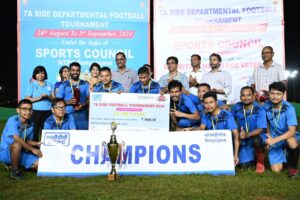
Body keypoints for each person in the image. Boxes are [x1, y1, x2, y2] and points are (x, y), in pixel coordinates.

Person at [260, 82, 299, 177]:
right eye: (272, 93)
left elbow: (292, 131)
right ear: (268, 94)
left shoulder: (289, 108)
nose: (275, 96)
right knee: (276, 170)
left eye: (278, 94)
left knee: (291, 141)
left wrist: (273, 141)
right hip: (274, 137)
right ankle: (285, 156)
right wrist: (268, 135)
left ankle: (293, 168)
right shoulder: (266, 106)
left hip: (287, 136)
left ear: (283, 94)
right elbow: (267, 123)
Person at [192, 92, 240, 166]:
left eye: (211, 102)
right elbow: (201, 128)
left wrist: (236, 155)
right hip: (212, 146)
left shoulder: (227, 115)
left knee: (245, 164)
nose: (209, 105)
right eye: (206, 103)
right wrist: (190, 130)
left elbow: (236, 135)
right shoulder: (206, 116)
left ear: (216, 102)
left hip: (226, 147)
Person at [0, 99, 42, 180]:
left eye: (30, 109)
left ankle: (13, 165)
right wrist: (33, 150)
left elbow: (27, 140)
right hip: (6, 152)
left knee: (38, 164)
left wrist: (36, 144)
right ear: (18, 110)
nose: (28, 112)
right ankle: (14, 171)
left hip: (20, 151)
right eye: (25, 109)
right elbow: (17, 138)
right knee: (17, 144)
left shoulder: (31, 123)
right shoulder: (13, 120)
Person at [231, 86, 267, 173]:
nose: (246, 98)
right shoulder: (236, 107)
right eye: (243, 95)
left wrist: (247, 134)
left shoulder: (260, 109)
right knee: (244, 166)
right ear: (240, 97)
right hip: (244, 139)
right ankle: (251, 156)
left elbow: (260, 129)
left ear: (254, 96)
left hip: (258, 136)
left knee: (257, 140)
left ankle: (260, 162)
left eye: (249, 95)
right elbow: (229, 118)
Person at [56, 62, 89, 130]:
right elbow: (57, 102)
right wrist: (68, 102)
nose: (75, 72)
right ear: (70, 71)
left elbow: (89, 99)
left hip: (82, 115)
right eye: (73, 70)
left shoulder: (85, 84)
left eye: (77, 70)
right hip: (67, 114)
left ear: (80, 72)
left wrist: (83, 105)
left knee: (82, 136)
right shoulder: (63, 85)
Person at [25, 66, 54, 141]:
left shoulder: (50, 84)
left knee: (46, 132)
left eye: (42, 73)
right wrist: (39, 98)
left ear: (45, 74)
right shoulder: (32, 85)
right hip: (35, 112)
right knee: (35, 132)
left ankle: (45, 149)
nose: (40, 75)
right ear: (35, 75)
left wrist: (48, 97)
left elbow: (54, 98)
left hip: (48, 112)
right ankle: (34, 149)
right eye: (38, 73)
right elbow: (27, 99)